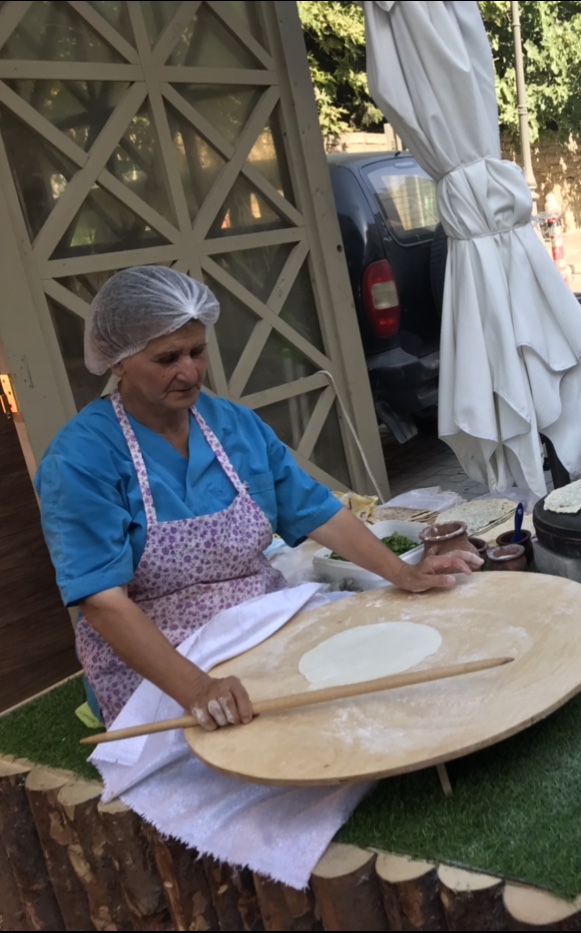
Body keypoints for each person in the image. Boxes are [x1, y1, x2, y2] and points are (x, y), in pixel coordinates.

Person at [34, 267, 481, 729]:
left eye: (197, 351)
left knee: (381, 686)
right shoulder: (80, 460)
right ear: (118, 361)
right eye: (167, 358)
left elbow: (316, 512)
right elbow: (103, 601)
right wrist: (198, 689)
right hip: (163, 660)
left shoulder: (233, 426)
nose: (189, 371)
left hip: (266, 619)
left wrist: (402, 574)